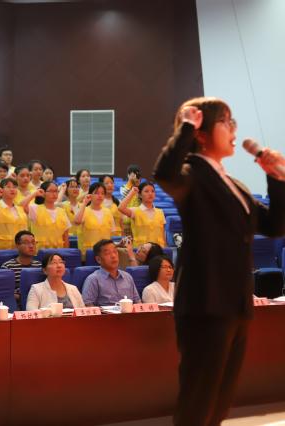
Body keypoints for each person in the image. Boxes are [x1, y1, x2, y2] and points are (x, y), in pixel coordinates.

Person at [154, 97, 285, 425]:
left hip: (235, 304)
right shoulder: (192, 173)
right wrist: (186, 125)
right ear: (201, 132)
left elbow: (274, 226)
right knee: (198, 405)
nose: (234, 129)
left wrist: (276, 179)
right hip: (205, 303)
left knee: (219, 406)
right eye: (226, 122)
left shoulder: (234, 184)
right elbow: (165, 173)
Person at [81, 239, 140, 306]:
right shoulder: (93, 280)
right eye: (108, 253)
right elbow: (88, 306)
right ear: (98, 259)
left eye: (115, 252)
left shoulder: (127, 277)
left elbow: (137, 302)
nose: (113, 256)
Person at [21, 181, 71, 250]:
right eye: (51, 191)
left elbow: (65, 236)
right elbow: (22, 205)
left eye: (56, 191)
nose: (54, 194)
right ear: (43, 193)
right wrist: (35, 193)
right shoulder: (35, 209)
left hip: (58, 252)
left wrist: (66, 252)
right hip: (39, 251)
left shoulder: (62, 211)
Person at [0, 178, 29, 250]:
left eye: (14, 187)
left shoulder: (19, 208)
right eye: (8, 187)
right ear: (1, 190)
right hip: (0, 250)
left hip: (19, 249)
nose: (12, 189)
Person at [118, 181, 166, 247]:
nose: (150, 193)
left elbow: (163, 234)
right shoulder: (135, 211)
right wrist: (132, 193)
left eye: (152, 191)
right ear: (140, 195)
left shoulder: (160, 212)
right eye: (146, 191)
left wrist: (165, 249)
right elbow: (121, 208)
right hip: (140, 250)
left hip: (158, 250)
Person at [74, 182, 115, 259]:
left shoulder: (108, 212)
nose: (100, 196)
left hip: (106, 255)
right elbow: (77, 221)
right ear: (90, 195)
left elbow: (111, 235)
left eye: (102, 193)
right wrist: (84, 203)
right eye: (96, 193)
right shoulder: (84, 210)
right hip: (87, 255)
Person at [1, 231, 42, 295]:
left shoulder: (40, 266)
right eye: (26, 243)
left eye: (33, 242)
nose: (31, 246)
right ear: (17, 246)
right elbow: (5, 293)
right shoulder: (7, 267)